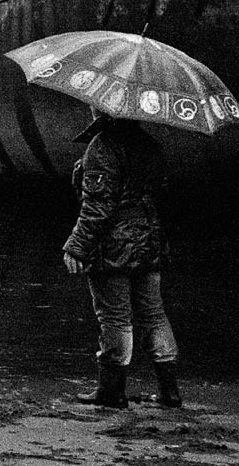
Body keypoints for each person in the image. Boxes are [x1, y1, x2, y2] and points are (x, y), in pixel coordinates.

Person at [61, 109, 181, 409]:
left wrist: (76, 246)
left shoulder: (102, 146)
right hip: (148, 238)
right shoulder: (149, 144)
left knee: (114, 317)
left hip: (113, 244)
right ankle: (170, 392)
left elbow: (98, 207)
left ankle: (111, 392)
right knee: (154, 314)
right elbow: (160, 191)